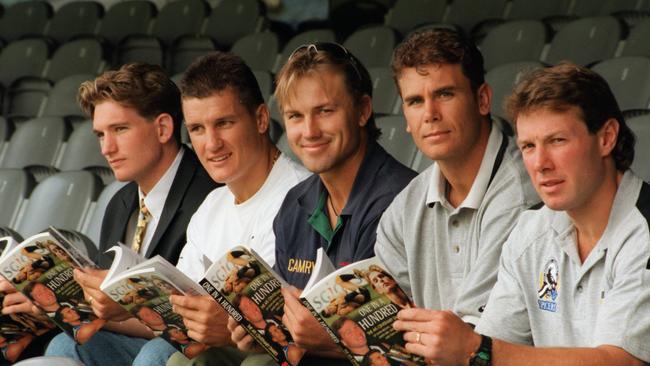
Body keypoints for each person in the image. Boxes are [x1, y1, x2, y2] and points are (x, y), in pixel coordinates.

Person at [393, 63, 650, 365]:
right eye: (528, 146)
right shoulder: (531, 229)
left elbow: (620, 361)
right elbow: (498, 340)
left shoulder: (643, 230)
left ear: (606, 137)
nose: (540, 163)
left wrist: (476, 350)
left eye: (557, 141)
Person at [229, 42, 417, 364]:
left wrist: (322, 338)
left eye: (325, 111)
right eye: (295, 116)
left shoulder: (400, 200)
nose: (309, 131)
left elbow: (397, 348)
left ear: (363, 110)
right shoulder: (294, 204)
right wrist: (261, 330)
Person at [41, 62, 218, 365]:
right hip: (133, 338)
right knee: (62, 347)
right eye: (100, 135)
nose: (107, 148)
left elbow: (193, 322)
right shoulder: (120, 201)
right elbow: (105, 303)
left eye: (120, 129)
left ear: (163, 128)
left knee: (154, 356)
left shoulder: (210, 195)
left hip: (194, 346)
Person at [374, 28, 539, 328]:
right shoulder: (403, 208)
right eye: (414, 101)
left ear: (483, 100)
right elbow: (387, 324)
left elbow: (480, 336)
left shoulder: (524, 194)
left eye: (445, 94)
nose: (430, 114)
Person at [156, 51, 309, 366]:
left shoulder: (300, 196)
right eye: (197, 129)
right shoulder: (212, 205)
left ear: (261, 119)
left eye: (223, 123)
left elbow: (287, 325)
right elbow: (185, 305)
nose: (211, 144)